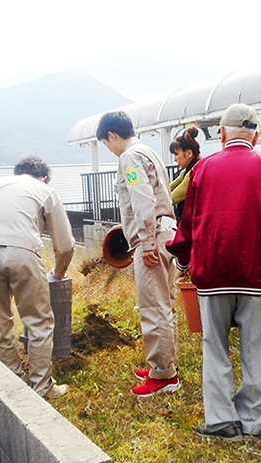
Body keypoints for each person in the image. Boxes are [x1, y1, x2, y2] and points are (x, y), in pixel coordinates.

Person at [167, 103, 261, 441]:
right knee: (256, 347)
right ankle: (251, 422)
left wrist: (182, 264)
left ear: (222, 134)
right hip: (260, 274)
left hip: (213, 272)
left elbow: (188, 225)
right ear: (256, 136)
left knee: (216, 347)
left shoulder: (203, 169)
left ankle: (221, 420)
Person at [0, 156, 75, 399]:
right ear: (44, 176)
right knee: (39, 322)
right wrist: (57, 274)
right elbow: (66, 245)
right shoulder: (45, 191)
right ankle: (42, 387)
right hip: (23, 252)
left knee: (0, 322)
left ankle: (11, 384)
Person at [95, 110, 180, 397]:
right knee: (164, 304)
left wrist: (144, 242)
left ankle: (162, 375)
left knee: (153, 306)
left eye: (107, 145)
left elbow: (142, 199)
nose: (110, 150)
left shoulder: (130, 158)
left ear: (112, 135)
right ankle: (166, 365)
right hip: (167, 232)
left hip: (153, 236)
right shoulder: (148, 151)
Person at [169, 127, 201, 222]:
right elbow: (168, 188)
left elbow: (172, 198)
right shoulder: (187, 170)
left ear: (189, 153)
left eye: (176, 154)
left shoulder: (195, 171)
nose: (175, 159)